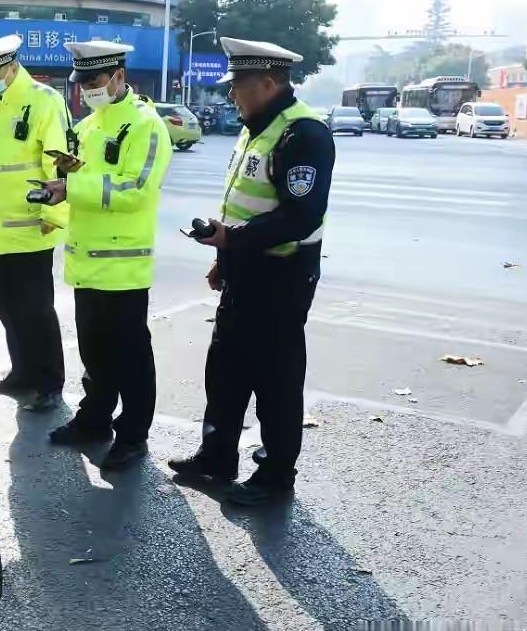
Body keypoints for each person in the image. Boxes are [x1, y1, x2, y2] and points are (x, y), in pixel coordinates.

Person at [167, 37, 334, 506]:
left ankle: (275, 477)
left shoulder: (303, 134)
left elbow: (301, 216)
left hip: (282, 275)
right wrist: (226, 258)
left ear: (267, 82)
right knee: (226, 369)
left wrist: (233, 241)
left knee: (275, 378)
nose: (230, 93)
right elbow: (242, 203)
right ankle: (216, 458)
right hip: (246, 270)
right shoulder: (256, 128)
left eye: (237, 84)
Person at [40, 40, 172, 470]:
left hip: (123, 266)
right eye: (82, 84)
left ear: (118, 76)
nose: (86, 91)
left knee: (130, 357)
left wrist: (73, 186)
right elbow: (88, 178)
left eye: (94, 82)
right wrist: (63, 181)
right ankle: (94, 419)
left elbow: (136, 190)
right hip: (86, 261)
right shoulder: (90, 124)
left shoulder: (145, 125)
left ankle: (133, 435)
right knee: (94, 353)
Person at [0, 35, 72, 412]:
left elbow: (58, 160)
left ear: (10, 66)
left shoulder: (43, 100)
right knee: (6, 306)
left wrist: (54, 214)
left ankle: (50, 382)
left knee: (36, 309)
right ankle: (21, 373)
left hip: (31, 226)